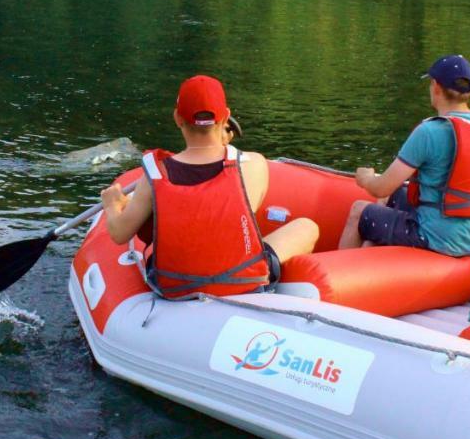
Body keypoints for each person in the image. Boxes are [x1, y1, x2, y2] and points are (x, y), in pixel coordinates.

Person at [99, 75, 319, 299]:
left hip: (174, 286)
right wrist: (222, 142)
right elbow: (230, 218)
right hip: (241, 282)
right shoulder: (254, 165)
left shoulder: (155, 174)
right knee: (307, 227)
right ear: (226, 117)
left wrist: (112, 205)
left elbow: (119, 234)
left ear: (177, 118)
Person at [338, 55, 470, 257]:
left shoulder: (430, 131)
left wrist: (366, 178)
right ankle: (368, 260)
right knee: (388, 198)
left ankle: (340, 279)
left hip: (434, 236)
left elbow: (381, 187)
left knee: (359, 210)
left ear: (435, 86)